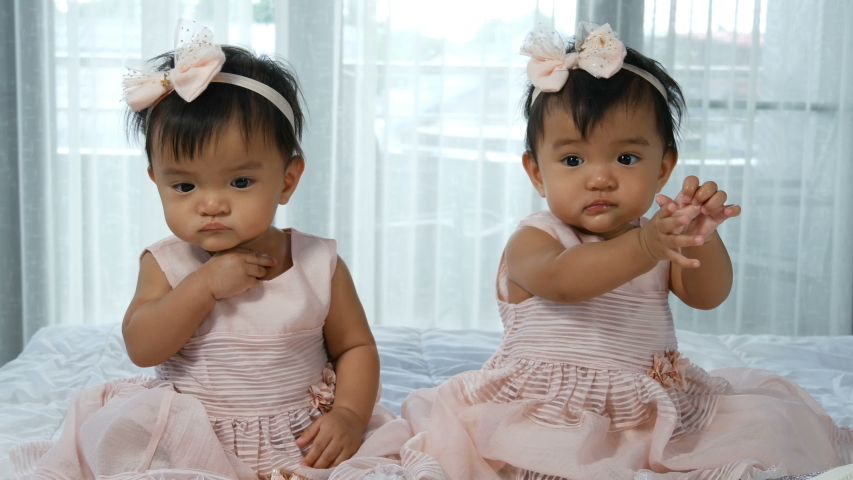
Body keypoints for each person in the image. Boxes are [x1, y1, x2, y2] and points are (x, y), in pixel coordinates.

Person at [394, 22, 853, 480]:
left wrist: (699, 238)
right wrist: (649, 242)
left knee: (760, 431)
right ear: (536, 173)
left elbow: (707, 294)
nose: (600, 178)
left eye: (626, 159)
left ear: (662, 169)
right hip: (549, 416)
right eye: (573, 160)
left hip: (646, 414)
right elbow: (564, 282)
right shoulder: (537, 239)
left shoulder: (654, 237)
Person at [10, 20, 445, 480]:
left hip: (299, 436)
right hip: (188, 435)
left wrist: (351, 416)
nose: (211, 203)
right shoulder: (167, 264)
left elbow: (355, 346)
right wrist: (203, 286)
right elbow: (143, 347)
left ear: (287, 180)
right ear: (156, 182)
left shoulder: (318, 263)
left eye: (240, 181)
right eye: (184, 184)